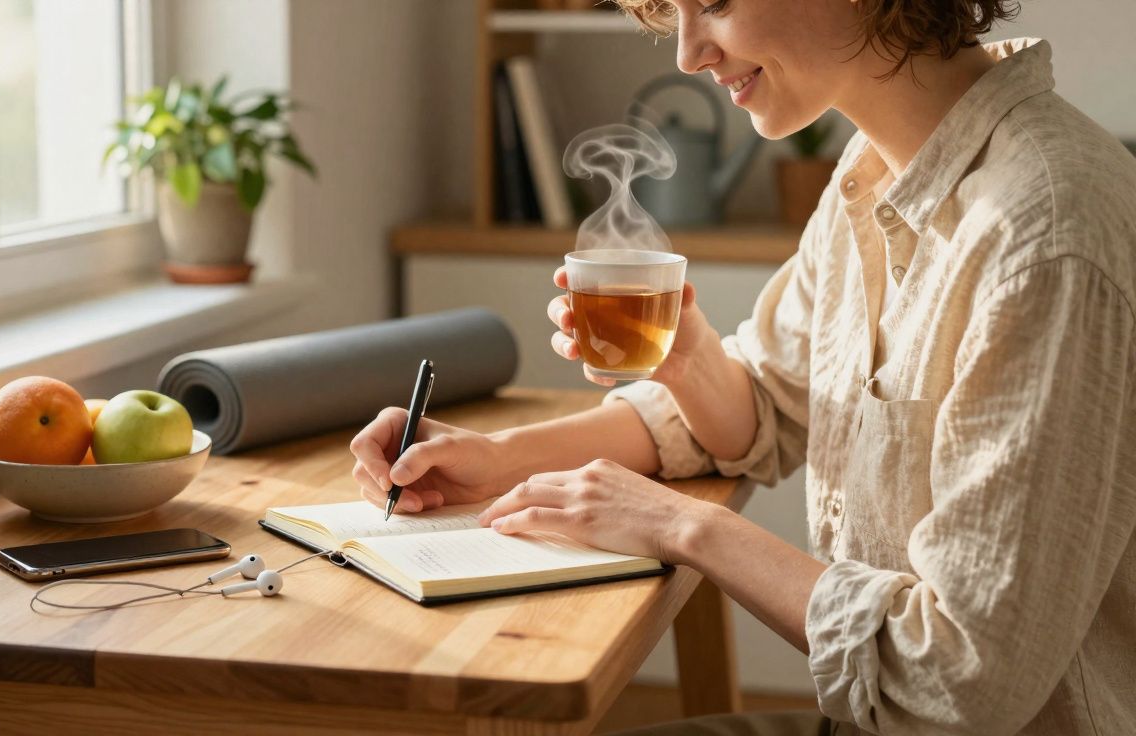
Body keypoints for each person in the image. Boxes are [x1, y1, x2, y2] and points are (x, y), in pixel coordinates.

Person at [350, 0, 1136, 733]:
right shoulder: (876, 173)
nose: (690, 54)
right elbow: (766, 404)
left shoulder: (1045, 231)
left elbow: (962, 678)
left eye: (717, 1)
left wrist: (686, 526)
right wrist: (501, 457)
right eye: (674, 11)